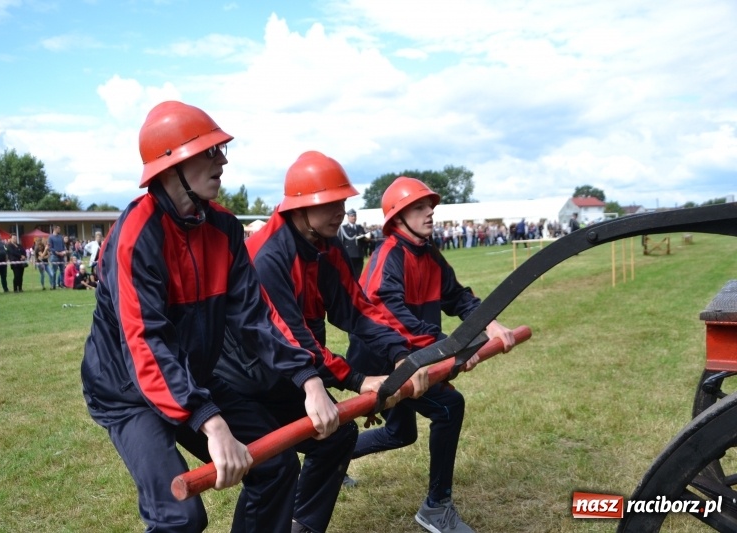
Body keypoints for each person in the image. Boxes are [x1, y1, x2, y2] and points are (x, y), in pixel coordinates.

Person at [80, 100, 339, 533]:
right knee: (180, 518)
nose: (222, 160)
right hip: (127, 391)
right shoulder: (135, 236)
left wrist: (308, 380)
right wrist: (211, 421)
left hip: (191, 375)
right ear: (171, 166)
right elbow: (146, 344)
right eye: (208, 152)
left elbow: (256, 317)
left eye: (219, 150)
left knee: (274, 468)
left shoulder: (223, 227)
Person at [216, 151, 426, 533]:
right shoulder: (268, 256)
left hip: (289, 374)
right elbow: (292, 337)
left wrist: (400, 355)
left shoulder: (324, 246)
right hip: (242, 381)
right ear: (300, 207)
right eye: (329, 204)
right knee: (274, 469)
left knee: (336, 434)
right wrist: (357, 379)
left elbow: (358, 310)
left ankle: (302, 527)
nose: (340, 211)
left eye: (342, 202)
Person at [347, 177, 516, 533]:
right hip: (384, 361)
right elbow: (387, 312)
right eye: (420, 208)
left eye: (431, 207)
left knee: (400, 434)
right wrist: (446, 347)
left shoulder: (431, 254)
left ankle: (329, 458)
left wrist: (492, 325)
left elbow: (459, 298)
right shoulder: (389, 255)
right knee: (449, 407)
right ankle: (436, 507)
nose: (430, 213)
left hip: (416, 354)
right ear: (397, 217)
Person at [339, 208, 368, 280]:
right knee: (350, 274)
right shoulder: (344, 228)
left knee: (358, 274)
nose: (354, 217)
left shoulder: (360, 227)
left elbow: (364, 239)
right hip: (349, 254)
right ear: (348, 217)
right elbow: (341, 242)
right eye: (352, 216)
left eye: (355, 216)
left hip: (359, 254)